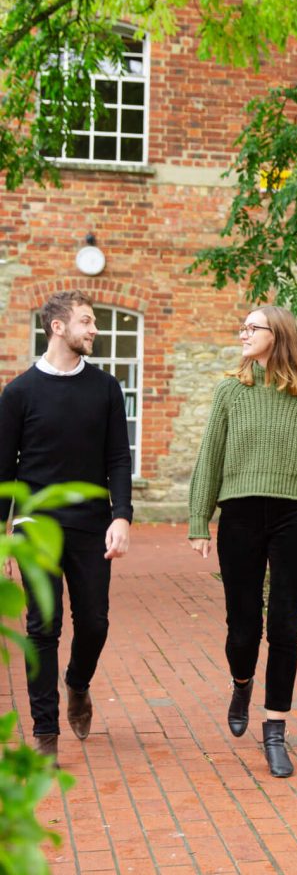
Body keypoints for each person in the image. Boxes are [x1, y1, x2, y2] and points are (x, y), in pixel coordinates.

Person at [187, 306, 297, 778]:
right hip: (239, 514)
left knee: (285, 625)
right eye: (242, 327)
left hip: (293, 515)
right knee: (242, 628)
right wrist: (199, 520)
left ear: (277, 335)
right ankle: (242, 681)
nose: (243, 333)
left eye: (251, 328)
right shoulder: (230, 390)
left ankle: (275, 728)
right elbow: (210, 456)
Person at [0, 290, 133, 762]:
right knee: (43, 627)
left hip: (91, 524)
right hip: (35, 524)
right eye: (86, 321)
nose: (94, 329)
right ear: (58, 327)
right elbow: (4, 471)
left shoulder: (106, 388)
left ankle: (77, 683)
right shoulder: (18, 393)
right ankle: (45, 732)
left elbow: (118, 458)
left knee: (94, 622)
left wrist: (121, 515)